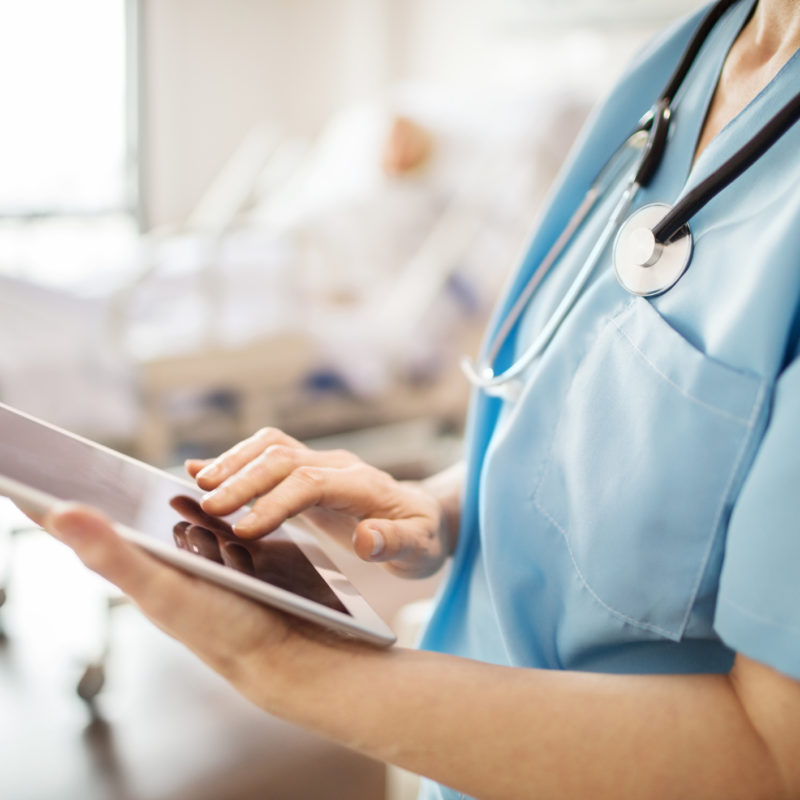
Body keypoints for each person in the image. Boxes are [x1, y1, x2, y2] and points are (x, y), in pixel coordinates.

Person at [39, 0, 800, 797]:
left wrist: (288, 666)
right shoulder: (680, 60)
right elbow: (605, 413)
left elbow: (773, 760)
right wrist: (436, 506)